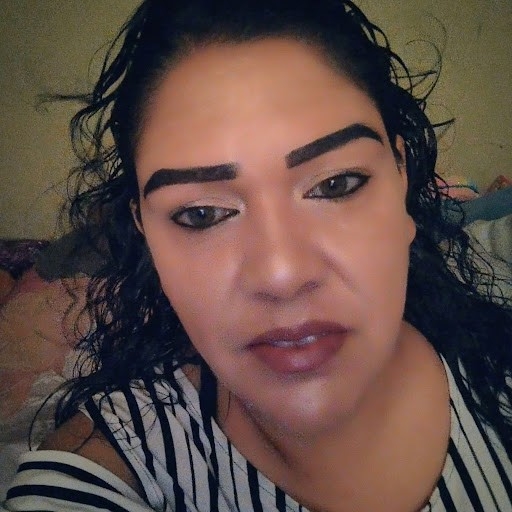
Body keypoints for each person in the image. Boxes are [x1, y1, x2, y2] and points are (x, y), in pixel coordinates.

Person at [4, 1, 512, 510]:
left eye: (336, 184)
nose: (282, 274)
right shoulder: (107, 469)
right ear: (145, 234)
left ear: (401, 176)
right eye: (201, 214)